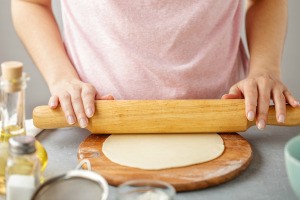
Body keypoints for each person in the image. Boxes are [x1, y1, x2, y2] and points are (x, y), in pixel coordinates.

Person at [11, 0, 299, 130]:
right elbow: (30, 3)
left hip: (226, 117)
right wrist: (61, 78)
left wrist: (266, 69)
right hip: (93, 121)